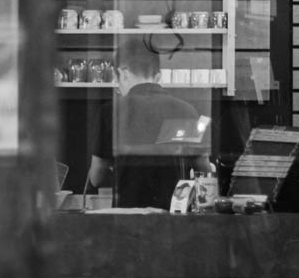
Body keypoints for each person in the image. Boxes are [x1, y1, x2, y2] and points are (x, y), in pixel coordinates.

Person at [87, 36, 211, 208]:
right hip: (174, 222)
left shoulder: (109, 112)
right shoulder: (187, 111)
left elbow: (96, 177)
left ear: (122, 73)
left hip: (126, 220)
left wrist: (119, 171)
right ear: (158, 76)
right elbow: (203, 171)